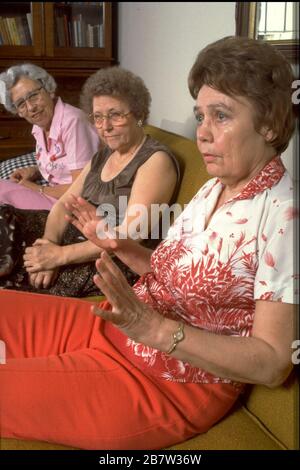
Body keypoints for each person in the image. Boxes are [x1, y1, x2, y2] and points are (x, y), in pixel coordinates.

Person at [0, 36, 297, 450]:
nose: (202, 134)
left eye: (222, 116)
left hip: (169, 383)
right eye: (200, 116)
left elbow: (273, 363)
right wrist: (120, 247)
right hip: (120, 327)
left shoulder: (285, 216)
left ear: (269, 122)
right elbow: (169, 271)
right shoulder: (216, 187)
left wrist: (154, 329)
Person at [0, 66, 179, 296]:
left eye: (115, 114)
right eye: (98, 117)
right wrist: (47, 243)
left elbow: (129, 236)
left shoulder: (155, 160)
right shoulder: (104, 155)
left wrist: (58, 256)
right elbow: (65, 202)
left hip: (111, 257)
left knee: (18, 270)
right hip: (74, 236)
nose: (105, 127)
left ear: (139, 112)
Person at [0, 63, 99, 210]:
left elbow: (83, 189)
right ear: (18, 111)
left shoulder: (73, 122)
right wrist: (34, 171)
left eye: (33, 96)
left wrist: (35, 188)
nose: (31, 107)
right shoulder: (39, 126)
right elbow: (62, 164)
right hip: (58, 198)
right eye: (21, 104)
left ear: (49, 90)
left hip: (76, 205)